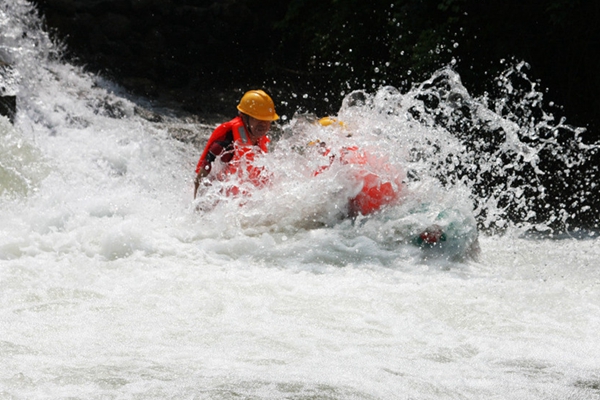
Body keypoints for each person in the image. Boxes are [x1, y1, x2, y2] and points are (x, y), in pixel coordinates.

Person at [193, 90, 279, 198]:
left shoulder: (259, 141)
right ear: (244, 117)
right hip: (219, 198)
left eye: (267, 120)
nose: (263, 125)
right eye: (256, 119)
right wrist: (198, 207)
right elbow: (202, 176)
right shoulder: (227, 142)